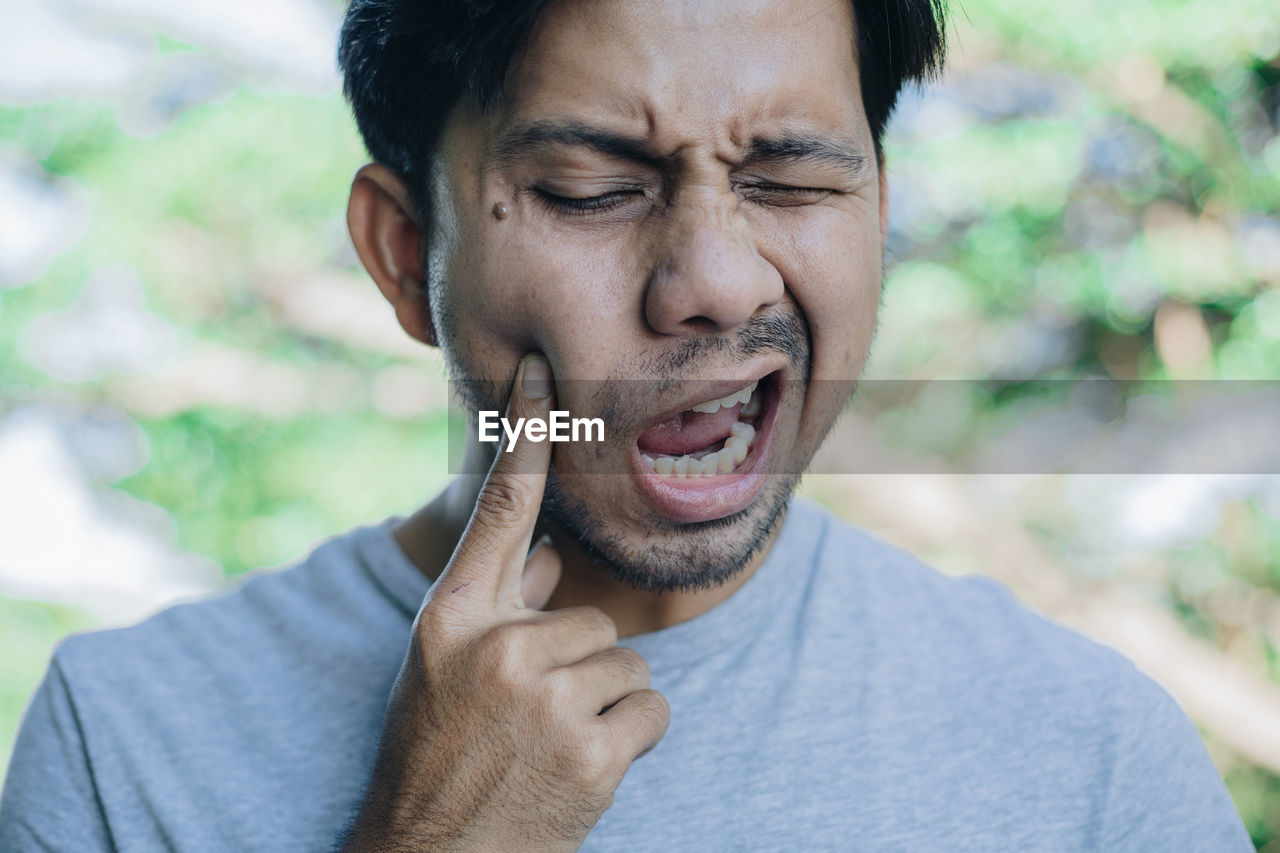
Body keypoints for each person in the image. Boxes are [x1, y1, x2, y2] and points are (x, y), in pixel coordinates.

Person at [0, 0, 1255, 850]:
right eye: (593, 190)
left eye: (792, 179)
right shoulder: (125, 741)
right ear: (401, 254)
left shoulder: (1088, 754)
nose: (715, 278)